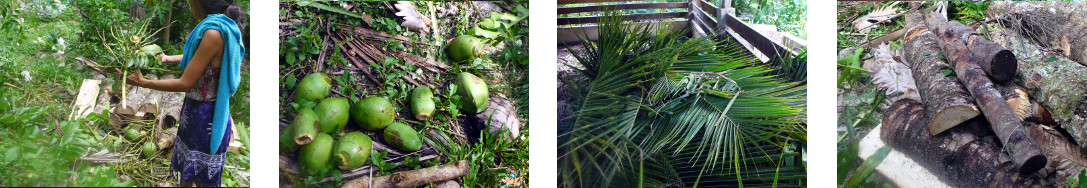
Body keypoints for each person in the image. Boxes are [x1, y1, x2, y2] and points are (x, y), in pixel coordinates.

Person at [125, 0, 246, 186]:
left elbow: (184, 83)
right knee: (188, 172)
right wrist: (167, 58)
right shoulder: (222, 27)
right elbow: (203, 57)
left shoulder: (213, 33)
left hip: (205, 117)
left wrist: (144, 82)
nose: (190, 4)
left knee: (201, 178)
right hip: (198, 111)